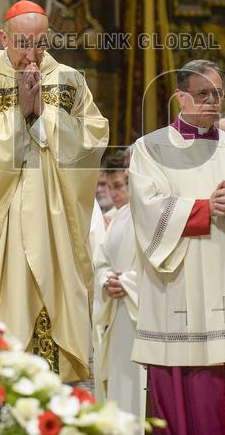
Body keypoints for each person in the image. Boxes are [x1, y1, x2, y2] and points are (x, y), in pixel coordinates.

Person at [0, 0, 108, 381]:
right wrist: (18, 116)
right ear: (3, 37)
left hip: (55, 220)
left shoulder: (69, 80)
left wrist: (43, 116)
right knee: (5, 303)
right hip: (1, 217)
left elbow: (93, 139)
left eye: (40, 44)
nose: (31, 54)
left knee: (55, 298)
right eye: (21, 43)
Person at [129, 60, 225, 434]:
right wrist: (205, 209)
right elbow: (147, 209)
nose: (212, 101)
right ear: (180, 98)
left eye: (218, 94)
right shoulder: (151, 148)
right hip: (179, 288)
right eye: (202, 94)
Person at [91, 151, 143, 416]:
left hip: (142, 315)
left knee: (138, 392)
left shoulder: (150, 215)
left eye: (119, 186)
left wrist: (129, 282)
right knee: (121, 389)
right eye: (109, 187)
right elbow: (101, 262)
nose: (113, 194)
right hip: (120, 313)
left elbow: (163, 264)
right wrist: (106, 281)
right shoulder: (118, 219)